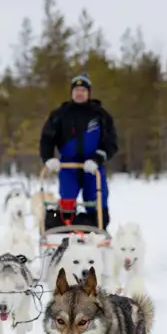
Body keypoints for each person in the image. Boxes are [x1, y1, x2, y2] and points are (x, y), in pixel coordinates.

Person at [39, 74, 118, 230]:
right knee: (67, 201)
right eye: (76, 90)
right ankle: (65, 233)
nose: (79, 93)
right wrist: (48, 158)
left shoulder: (100, 115)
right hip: (68, 166)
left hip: (92, 167)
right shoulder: (60, 114)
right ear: (72, 92)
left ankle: (97, 231)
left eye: (83, 90)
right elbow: (47, 138)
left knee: (97, 202)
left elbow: (111, 142)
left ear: (88, 92)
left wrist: (97, 159)